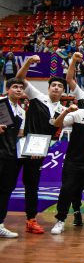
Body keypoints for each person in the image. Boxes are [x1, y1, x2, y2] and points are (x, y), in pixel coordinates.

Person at [16, 55, 72, 234]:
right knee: (7, 183)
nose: (56, 88)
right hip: (18, 146)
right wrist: (28, 62)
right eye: (53, 85)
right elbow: (19, 79)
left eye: (60, 86)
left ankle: (31, 219)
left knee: (32, 185)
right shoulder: (37, 96)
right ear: (48, 88)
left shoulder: (63, 110)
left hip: (38, 151)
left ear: (63, 92)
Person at [50, 91, 84, 235]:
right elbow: (57, 124)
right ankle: (60, 220)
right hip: (73, 160)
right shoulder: (77, 114)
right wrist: (67, 110)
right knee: (67, 190)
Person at [0, 78, 27, 238]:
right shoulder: (1, 104)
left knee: (5, 190)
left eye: (20, 87)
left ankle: (0, 223)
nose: (18, 90)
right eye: (15, 87)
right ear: (8, 89)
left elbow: (20, 135)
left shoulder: (22, 111)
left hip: (11, 156)